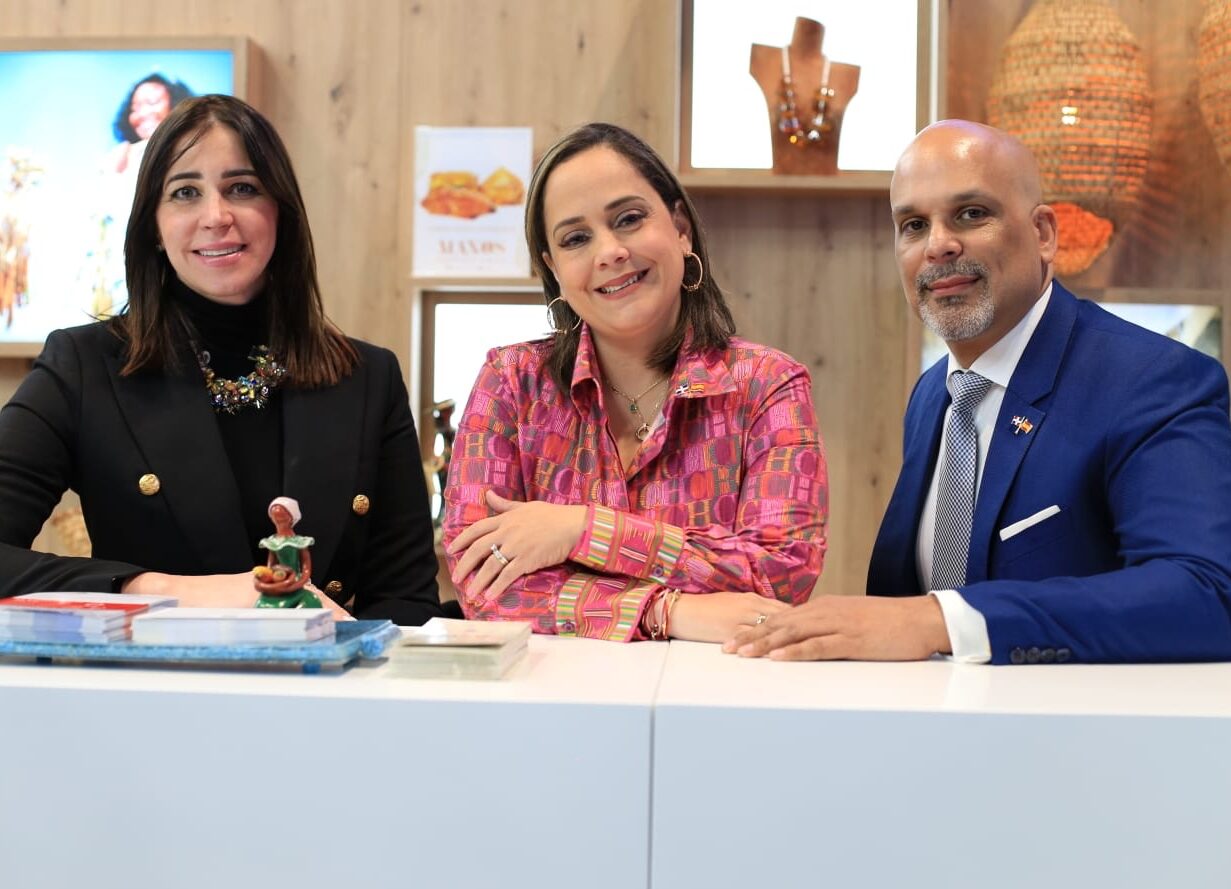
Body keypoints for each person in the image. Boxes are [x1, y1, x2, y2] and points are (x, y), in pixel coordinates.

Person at [728, 119, 1231, 664]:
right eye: (913, 225)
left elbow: (1207, 595)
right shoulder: (933, 395)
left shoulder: (1153, 380)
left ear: (1043, 234)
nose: (938, 245)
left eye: (971, 214)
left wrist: (941, 620)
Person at [0, 94, 443, 626]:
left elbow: (406, 606)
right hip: (147, 675)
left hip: (324, 675)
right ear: (154, 225)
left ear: (281, 212)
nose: (216, 216)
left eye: (243, 188)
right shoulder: (82, 365)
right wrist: (154, 589)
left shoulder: (368, 378)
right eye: (185, 192)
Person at [442, 122, 827, 642]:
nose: (609, 252)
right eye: (576, 239)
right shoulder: (510, 383)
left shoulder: (768, 385)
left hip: (716, 688)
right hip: (547, 690)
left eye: (628, 219)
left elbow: (781, 575)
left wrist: (581, 529)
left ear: (680, 229)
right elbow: (482, 583)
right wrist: (665, 612)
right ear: (554, 270)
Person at [254, 496, 319, 609]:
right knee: (263, 605)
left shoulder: (300, 542)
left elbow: (306, 570)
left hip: (294, 581)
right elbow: (270, 568)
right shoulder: (272, 542)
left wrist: (295, 584)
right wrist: (269, 581)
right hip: (277, 580)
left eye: (282, 518)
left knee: (308, 604)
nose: (279, 522)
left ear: (291, 518)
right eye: (276, 519)